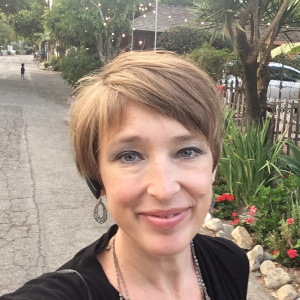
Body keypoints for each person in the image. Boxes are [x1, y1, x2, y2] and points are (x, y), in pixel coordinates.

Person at [1, 51, 249, 300]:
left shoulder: (231, 262)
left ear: (213, 166)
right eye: (129, 156)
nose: (164, 190)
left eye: (187, 152)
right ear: (96, 177)